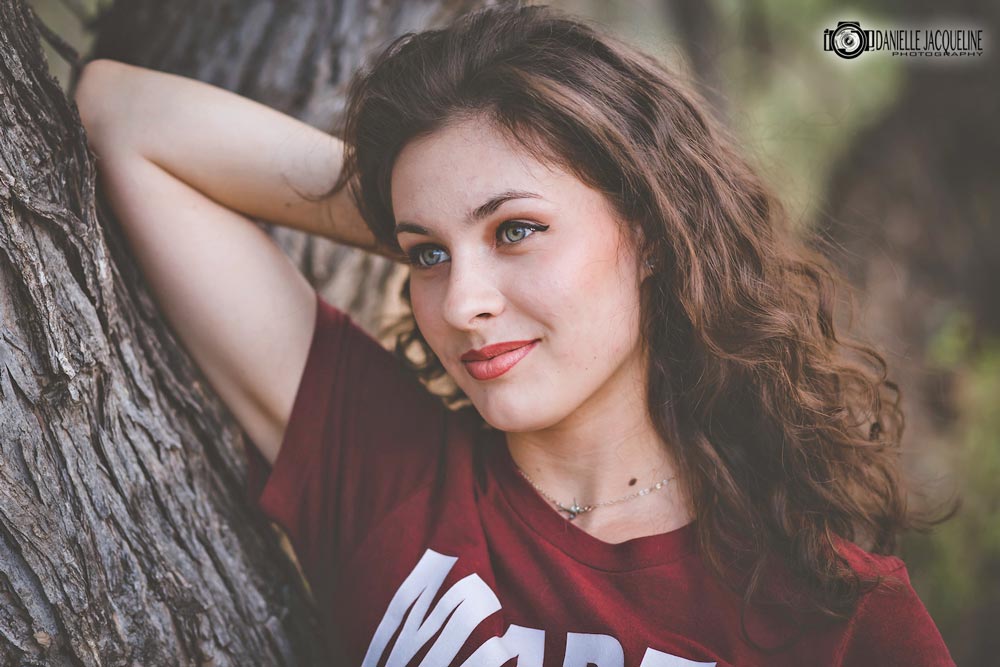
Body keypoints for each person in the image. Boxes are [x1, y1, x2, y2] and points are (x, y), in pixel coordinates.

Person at [75, 3, 957, 665]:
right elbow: (122, 114)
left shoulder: (838, 613)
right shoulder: (387, 466)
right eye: (424, 256)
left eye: (518, 231)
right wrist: (417, 205)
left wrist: (448, 214)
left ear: (650, 229)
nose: (461, 304)